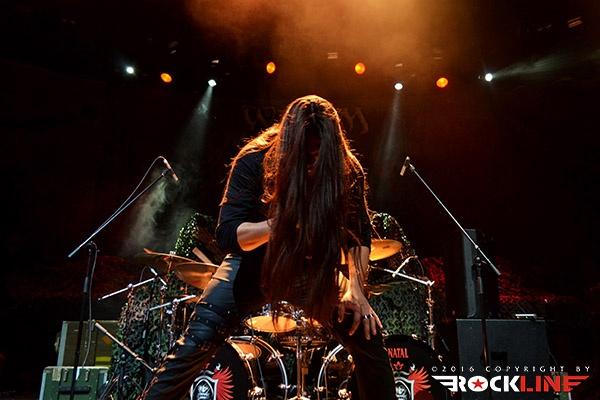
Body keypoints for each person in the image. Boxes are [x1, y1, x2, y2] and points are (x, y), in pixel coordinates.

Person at [139, 95, 396, 399]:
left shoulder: (346, 168)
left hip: (310, 270)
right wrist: (280, 224)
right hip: (252, 266)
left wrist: (356, 289)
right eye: (307, 151)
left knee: (366, 333)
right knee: (197, 342)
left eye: (319, 152)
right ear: (289, 143)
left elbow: (359, 236)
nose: (313, 158)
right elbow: (229, 235)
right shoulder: (254, 159)